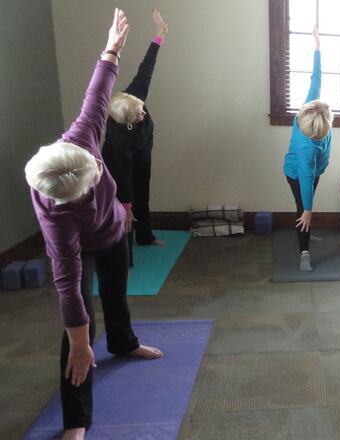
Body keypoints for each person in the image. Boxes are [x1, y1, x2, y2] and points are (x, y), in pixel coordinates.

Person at [24, 10, 163, 440]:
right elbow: (67, 287)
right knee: (80, 332)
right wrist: (82, 342)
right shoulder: (57, 218)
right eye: (92, 183)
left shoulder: (82, 138)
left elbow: (98, 92)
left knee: (117, 295)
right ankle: (76, 420)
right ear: (72, 198)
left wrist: (111, 50)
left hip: (114, 231)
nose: (100, 173)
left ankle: (124, 343)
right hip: (82, 248)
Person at [102, 8, 169, 267]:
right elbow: (123, 178)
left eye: (141, 109)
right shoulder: (119, 140)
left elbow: (147, 67)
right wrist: (128, 205)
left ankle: (145, 236)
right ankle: (125, 256)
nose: (143, 114)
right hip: (119, 163)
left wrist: (159, 35)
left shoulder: (134, 95)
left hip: (143, 149)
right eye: (138, 116)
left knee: (144, 188)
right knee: (123, 205)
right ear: (127, 122)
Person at [282, 25, 333, 271]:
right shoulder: (306, 147)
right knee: (302, 208)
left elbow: (316, 78)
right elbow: (305, 177)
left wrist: (318, 48)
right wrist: (310, 210)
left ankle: (307, 229)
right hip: (296, 172)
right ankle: (304, 251)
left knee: (306, 206)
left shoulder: (314, 106)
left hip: (315, 170)